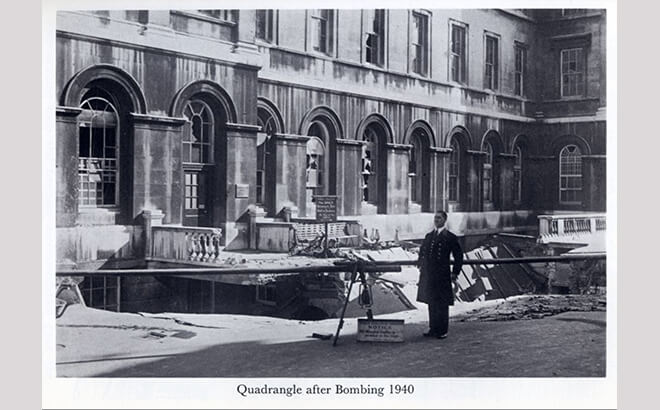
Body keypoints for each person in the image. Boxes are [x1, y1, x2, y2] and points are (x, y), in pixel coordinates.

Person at [416, 210, 463, 339]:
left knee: (442, 303)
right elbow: (422, 252)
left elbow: (459, 256)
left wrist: (455, 273)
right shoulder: (429, 236)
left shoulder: (450, 237)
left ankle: (442, 330)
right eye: (435, 218)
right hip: (430, 275)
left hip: (442, 275)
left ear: (444, 220)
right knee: (431, 302)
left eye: (439, 218)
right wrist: (420, 263)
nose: (436, 220)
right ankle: (433, 328)